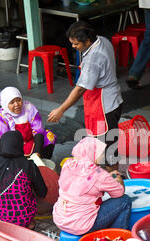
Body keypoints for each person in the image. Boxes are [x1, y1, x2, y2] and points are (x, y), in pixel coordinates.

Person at [47, 21, 123, 170]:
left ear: (87, 41)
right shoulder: (102, 40)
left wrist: (61, 109)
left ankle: (114, 180)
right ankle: (106, 176)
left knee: (107, 149)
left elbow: (79, 89)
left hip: (105, 106)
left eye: (76, 44)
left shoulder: (93, 60)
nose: (73, 47)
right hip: (113, 100)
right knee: (103, 145)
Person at [53, 137, 131, 236]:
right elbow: (118, 193)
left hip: (61, 219)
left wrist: (108, 176)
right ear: (92, 154)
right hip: (82, 225)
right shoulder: (99, 174)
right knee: (125, 200)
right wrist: (119, 180)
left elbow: (84, 179)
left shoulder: (68, 165)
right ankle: (116, 237)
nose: (103, 156)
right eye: (101, 153)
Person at [0, 130, 48, 229]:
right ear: (19, 146)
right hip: (21, 219)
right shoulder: (29, 165)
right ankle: (28, 224)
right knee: (28, 186)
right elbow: (42, 192)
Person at [0, 86, 56, 161]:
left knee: (49, 136)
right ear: (5, 104)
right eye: (12, 102)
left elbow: (38, 131)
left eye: (18, 100)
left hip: (30, 141)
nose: (17, 104)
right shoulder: (1, 116)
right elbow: (3, 140)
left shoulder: (29, 108)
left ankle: (42, 163)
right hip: (10, 145)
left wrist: (37, 153)